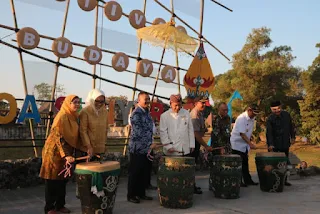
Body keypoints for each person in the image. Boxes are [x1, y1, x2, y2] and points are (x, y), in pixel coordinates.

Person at [39, 95, 87, 214]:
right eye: (74, 102)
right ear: (67, 103)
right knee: (52, 181)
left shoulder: (74, 117)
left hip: (66, 152)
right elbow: (58, 137)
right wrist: (65, 155)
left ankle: (60, 205)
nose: (77, 105)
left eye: (78, 102)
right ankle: (49, 208)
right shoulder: (62, 116)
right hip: (54, 152)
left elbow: (76, 136)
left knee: (62, 180)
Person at [127, 91, 156, 203]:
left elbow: (149, 129)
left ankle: (141, 193)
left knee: (144, 172)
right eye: (145, 99)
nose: (148, 101)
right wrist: (150, 144)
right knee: (135, 172)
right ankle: (131, 195)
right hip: (137, 148)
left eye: (149, 99)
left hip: (146, 149)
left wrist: (151, 143)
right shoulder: (136, 113)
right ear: (138, 100)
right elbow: (139, 132)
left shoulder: (147, 112)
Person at [266, 100, 295, 186]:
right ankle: (273, 181)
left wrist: (293, 137)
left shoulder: (286, 115)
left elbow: (291, 126)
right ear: (271, 109)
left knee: (284, 163)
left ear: (281, 107)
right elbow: (269, 133)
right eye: (274, 109)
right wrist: (270, 144)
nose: (277, 111)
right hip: (274, 145)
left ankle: (284, 180)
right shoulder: (270, 119)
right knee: (274, 164)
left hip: (285, 143)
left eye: (278, 108)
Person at [230, 104, 260, 187]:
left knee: (245, 163)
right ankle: (238, 181)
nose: (255, 115)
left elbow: (248, 131)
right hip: (236, 144)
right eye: (254, 113)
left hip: (244, 144)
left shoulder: (252, 118)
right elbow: (242, 134)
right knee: (238, 164)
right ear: (249, 110)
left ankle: (248, 180)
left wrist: (251, 140)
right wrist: (250, 144)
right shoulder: (241, 118)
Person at [190, 95, 213, 194]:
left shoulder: (200, 114)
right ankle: (191, 186)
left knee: (193, 166)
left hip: (196, 142)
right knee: (191, 166)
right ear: (196, 103)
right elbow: (196, 135)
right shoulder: (194, 115)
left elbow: (202, 131)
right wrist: (206, 146)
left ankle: (192, 185)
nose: (204, 104)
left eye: (204, 103)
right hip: (192, 143)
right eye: (202, 103)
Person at [208, 102, 232, 190]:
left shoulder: (228, 118)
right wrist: (221, 148)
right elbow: (217, 135)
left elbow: (227, 132)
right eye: (224, 110)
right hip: (217, 147)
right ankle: (214, 185)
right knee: (215, 166)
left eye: (227, 110)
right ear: (219, 110)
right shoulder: (215, 119)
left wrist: (227, 146)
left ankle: (224, 183)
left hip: (226, 145)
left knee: (226, 166)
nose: (226, 111)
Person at [79, 89, 108, 160]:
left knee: (100, 169)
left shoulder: (105, 111)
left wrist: (105, 145)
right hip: (87, 149)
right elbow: (83, 131)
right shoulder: (85, 111)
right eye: (97, 101)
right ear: (92, 100)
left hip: (100, 148)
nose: (100, 103)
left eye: (102, 101)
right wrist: (89, 147)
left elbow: (105, 129)